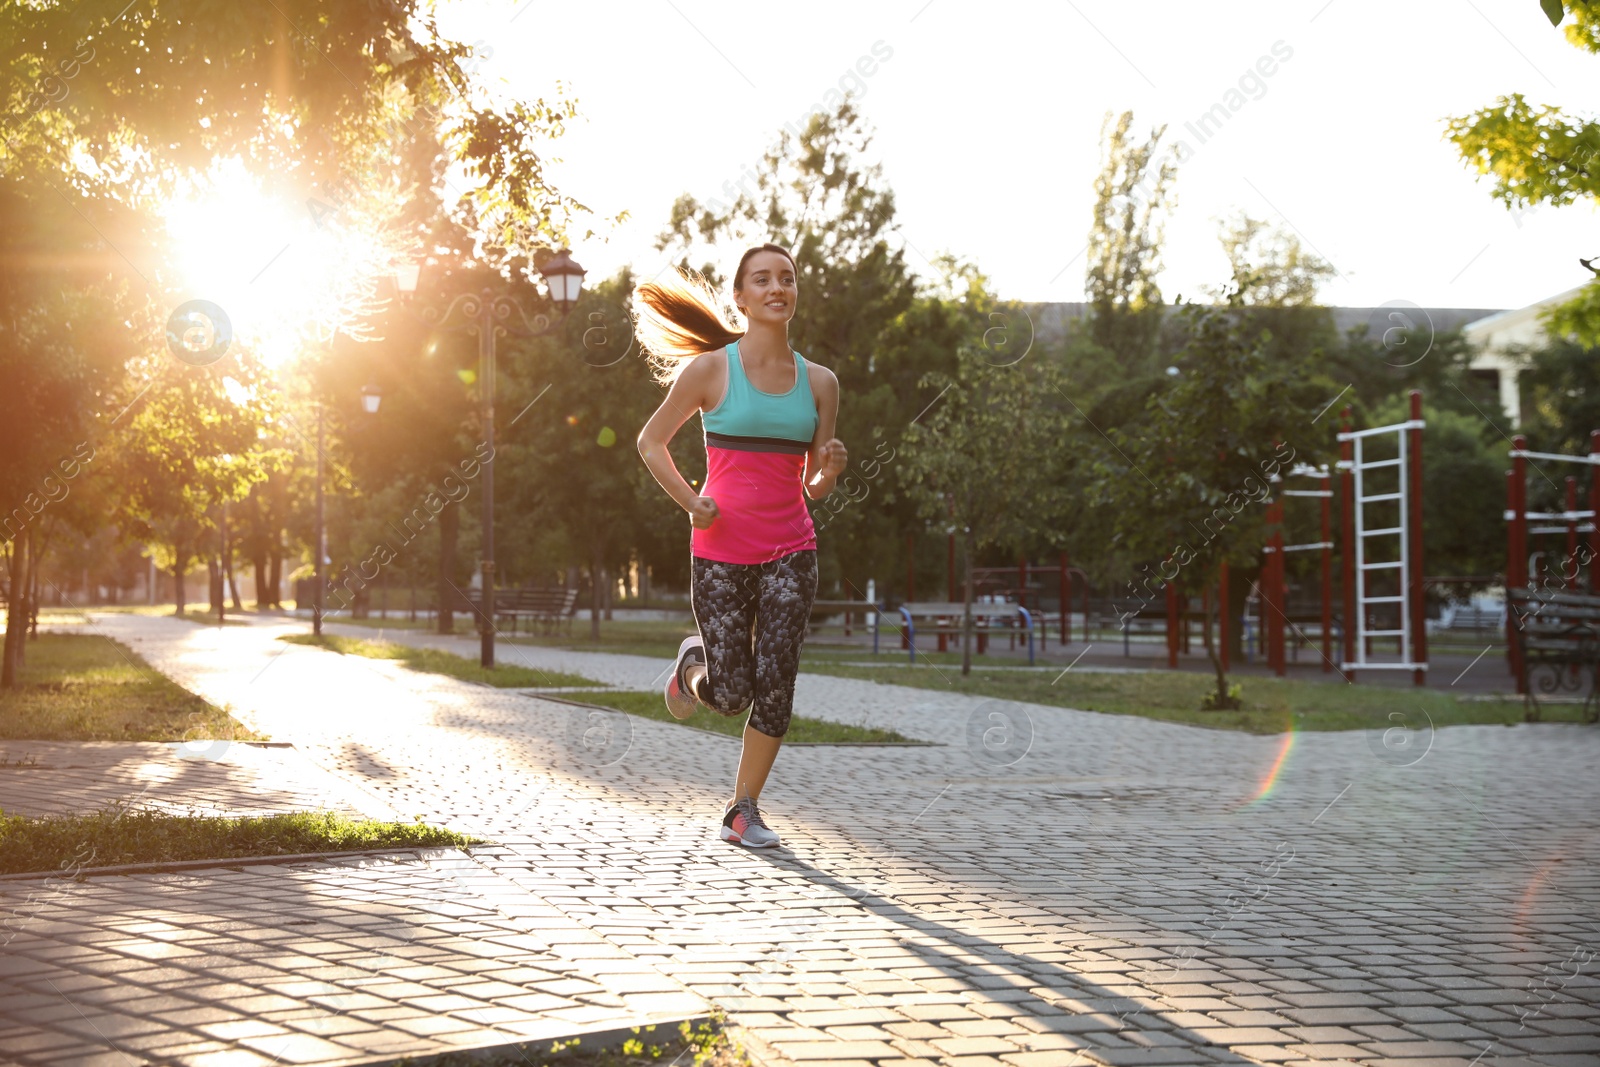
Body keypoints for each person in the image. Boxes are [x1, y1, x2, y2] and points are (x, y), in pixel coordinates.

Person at [635, 244, 847, 848]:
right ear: (742, 297)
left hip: (790, 549)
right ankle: (692, 664)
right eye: (763, 279)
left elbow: (815, 485)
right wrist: (689, 501)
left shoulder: (821, 383)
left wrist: (829, 467)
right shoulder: (710, 371)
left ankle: (742, 809)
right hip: (721, 550)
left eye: (787, 278)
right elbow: (651, 442)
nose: (777, 287)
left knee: (778, 679)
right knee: (730, 695)